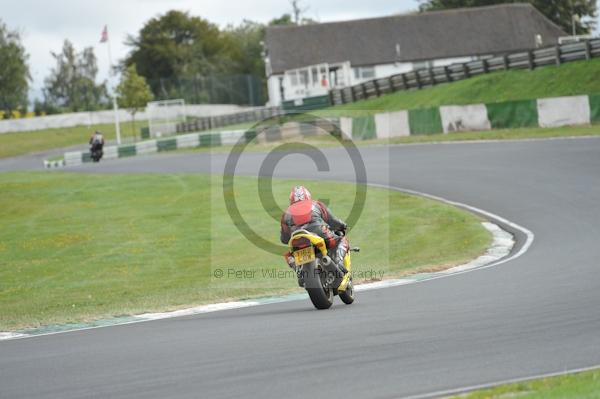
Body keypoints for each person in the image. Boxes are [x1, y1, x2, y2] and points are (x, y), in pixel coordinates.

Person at [280, 186, 349, 283]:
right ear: (308, 196)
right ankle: (339, 261)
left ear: (291, 200)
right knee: (341, 240)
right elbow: (332, 221)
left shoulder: (285, 214)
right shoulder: (317, 204)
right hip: (319, 233)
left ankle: (299, 270)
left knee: (289, 255)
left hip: (297, 240)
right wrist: (343, 225)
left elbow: (284, 239)